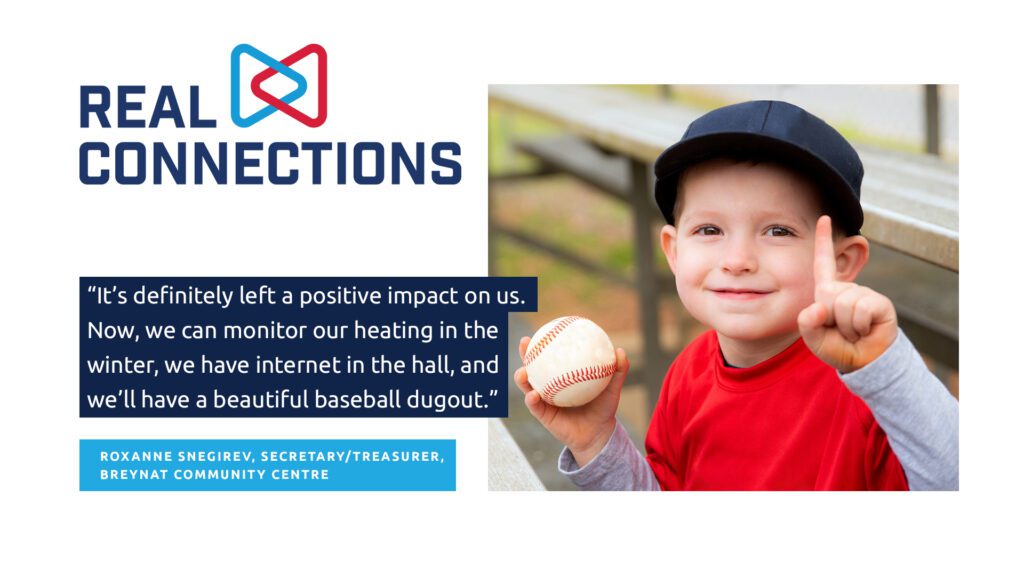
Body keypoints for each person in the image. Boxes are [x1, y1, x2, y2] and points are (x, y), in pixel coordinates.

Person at [513, 100, 959, 490]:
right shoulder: (687, 375)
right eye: (709, 230)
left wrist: (889, 371)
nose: (738, 259)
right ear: (673, 250)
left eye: (778, 231)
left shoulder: (873, 388)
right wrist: (596, 443)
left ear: (842, 263)